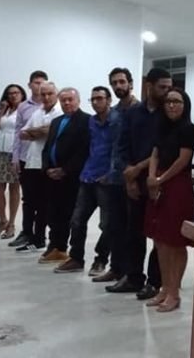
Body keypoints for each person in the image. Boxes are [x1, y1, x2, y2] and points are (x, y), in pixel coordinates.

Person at [111, 68, 172, 297]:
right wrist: (129, 177)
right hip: (134, 182)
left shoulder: (168, 115)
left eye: (169, 87)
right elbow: (122, 146)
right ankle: (133, 277)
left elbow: (165, 150)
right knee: (133, 233)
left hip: (158, 181)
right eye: (162, 87)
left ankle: (155, 282)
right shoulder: (133, 113)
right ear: (149, 86)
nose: (167, 92)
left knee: (158, 234)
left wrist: (138, 169)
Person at [144, 88, 194, 312]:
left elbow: (182, 160)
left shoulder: (189, 129)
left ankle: (174, 293)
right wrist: (151, 178)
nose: (172, 105)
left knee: (175, 242)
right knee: (160, 241)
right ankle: (164, 288)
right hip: (158, 184)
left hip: (178, 187)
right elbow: (155, 155)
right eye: (168, 101)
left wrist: (159, 179)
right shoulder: (161, 127)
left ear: (185, 105)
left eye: (177, 101)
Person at [55, 86, 119, 275]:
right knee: (77, 221)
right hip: (88, 177)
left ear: (109, 100)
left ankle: (100, 260)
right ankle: (76, 258)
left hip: (108, 180)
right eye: (93, 99)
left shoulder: (117, 121)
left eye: (100, 98)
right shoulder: (91, 122)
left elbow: (119, 150)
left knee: (107, 225)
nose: (96, 102)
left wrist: (112, 173)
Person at [91, 67, 138, 283]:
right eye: (114, 83)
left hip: (133, 178)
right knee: (114, 226)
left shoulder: (140, 110)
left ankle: (131, 274)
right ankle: (116, 269)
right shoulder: (115, 113)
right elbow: (112, 146)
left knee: (132, 230)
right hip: (114, 178)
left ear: (130, 83)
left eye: (122, 82)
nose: (118, 86)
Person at [39, 87, 90, 264]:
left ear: (78, 101)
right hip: (52, 175)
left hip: (71, 177)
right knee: (53, 213)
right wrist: (47, 168)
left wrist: (65, 170)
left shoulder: (86, 121)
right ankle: (55, 246)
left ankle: (68, 250)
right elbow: (47, 148)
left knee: (70, 215)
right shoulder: (56, 121)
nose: (67, 103)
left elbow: (83, 151)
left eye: (70, 99)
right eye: (63, 100)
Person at [16, 82, 62, 253]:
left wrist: (36, 131)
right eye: (43, 94)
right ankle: (34, 238)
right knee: (31, 202)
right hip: (32, 162)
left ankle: (45, 240)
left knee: (47, 204)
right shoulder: (38, 112)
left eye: (50, 94)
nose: (46, 97)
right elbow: (22, 134)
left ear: (56, 94)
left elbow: (52, 132)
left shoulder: (60, 112)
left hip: (49, 164)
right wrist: (40, 131)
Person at [8, 70, 49, 248]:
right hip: (25, 158)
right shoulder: (23, 106)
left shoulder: (52, 104)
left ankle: (40, 236)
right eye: (36, 83)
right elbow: (19, 133)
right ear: (30, 85)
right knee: (28, 199)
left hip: (44, 159)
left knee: (43, 200)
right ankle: (26, 232)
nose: (40, 86)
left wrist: (32, 132)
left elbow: (49, 130)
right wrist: (15, 157)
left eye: (43, 83)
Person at [0, 84, 26, 238]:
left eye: (16, 93)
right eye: (10, 93)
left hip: (15, 151)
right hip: (0, 150)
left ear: (22, 94)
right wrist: (2, 110)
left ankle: (11, 223)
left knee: (13, 188)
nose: (13, 95)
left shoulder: (24, 110)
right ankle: (2, 220)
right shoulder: (5, 110)